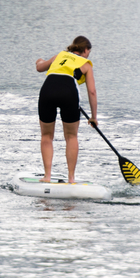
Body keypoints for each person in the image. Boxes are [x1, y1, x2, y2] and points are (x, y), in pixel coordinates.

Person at [35, 36, 98, 183]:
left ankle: (47, 176)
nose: (88, 54)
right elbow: (92, 91)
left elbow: (40, 67)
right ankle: (71, 178)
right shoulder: (86, 64)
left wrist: (39, 60)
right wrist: (93, 117)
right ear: (85, 50)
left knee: (46, 136)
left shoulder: (60, 55)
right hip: (68, 93)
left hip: (48, 91)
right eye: (89, 51)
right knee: (71, 137)